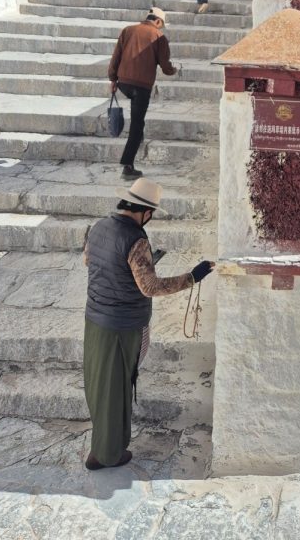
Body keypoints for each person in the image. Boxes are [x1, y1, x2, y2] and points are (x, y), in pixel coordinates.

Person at [83, 176, 214, 470]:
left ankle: (103, 446)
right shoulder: (137, 240)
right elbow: (150, 287)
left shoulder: (99, 227)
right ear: (145, 212)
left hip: (94, 321)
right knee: (117, 387)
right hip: (124, 325)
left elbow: (90, 261)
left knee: (100, 384)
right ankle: (108, 454)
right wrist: (192, 277)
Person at [107, 7, 177, 180]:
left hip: (124, 83)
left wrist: (113, 80)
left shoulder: (127, 30)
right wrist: (173, 70)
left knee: (137, 121)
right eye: (161, 25)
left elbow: (116, 56)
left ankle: (138, 137)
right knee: (137, 125)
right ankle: (128, 166)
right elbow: (165, 65)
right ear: (158, 21)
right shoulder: (159, 37)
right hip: (141, 87)